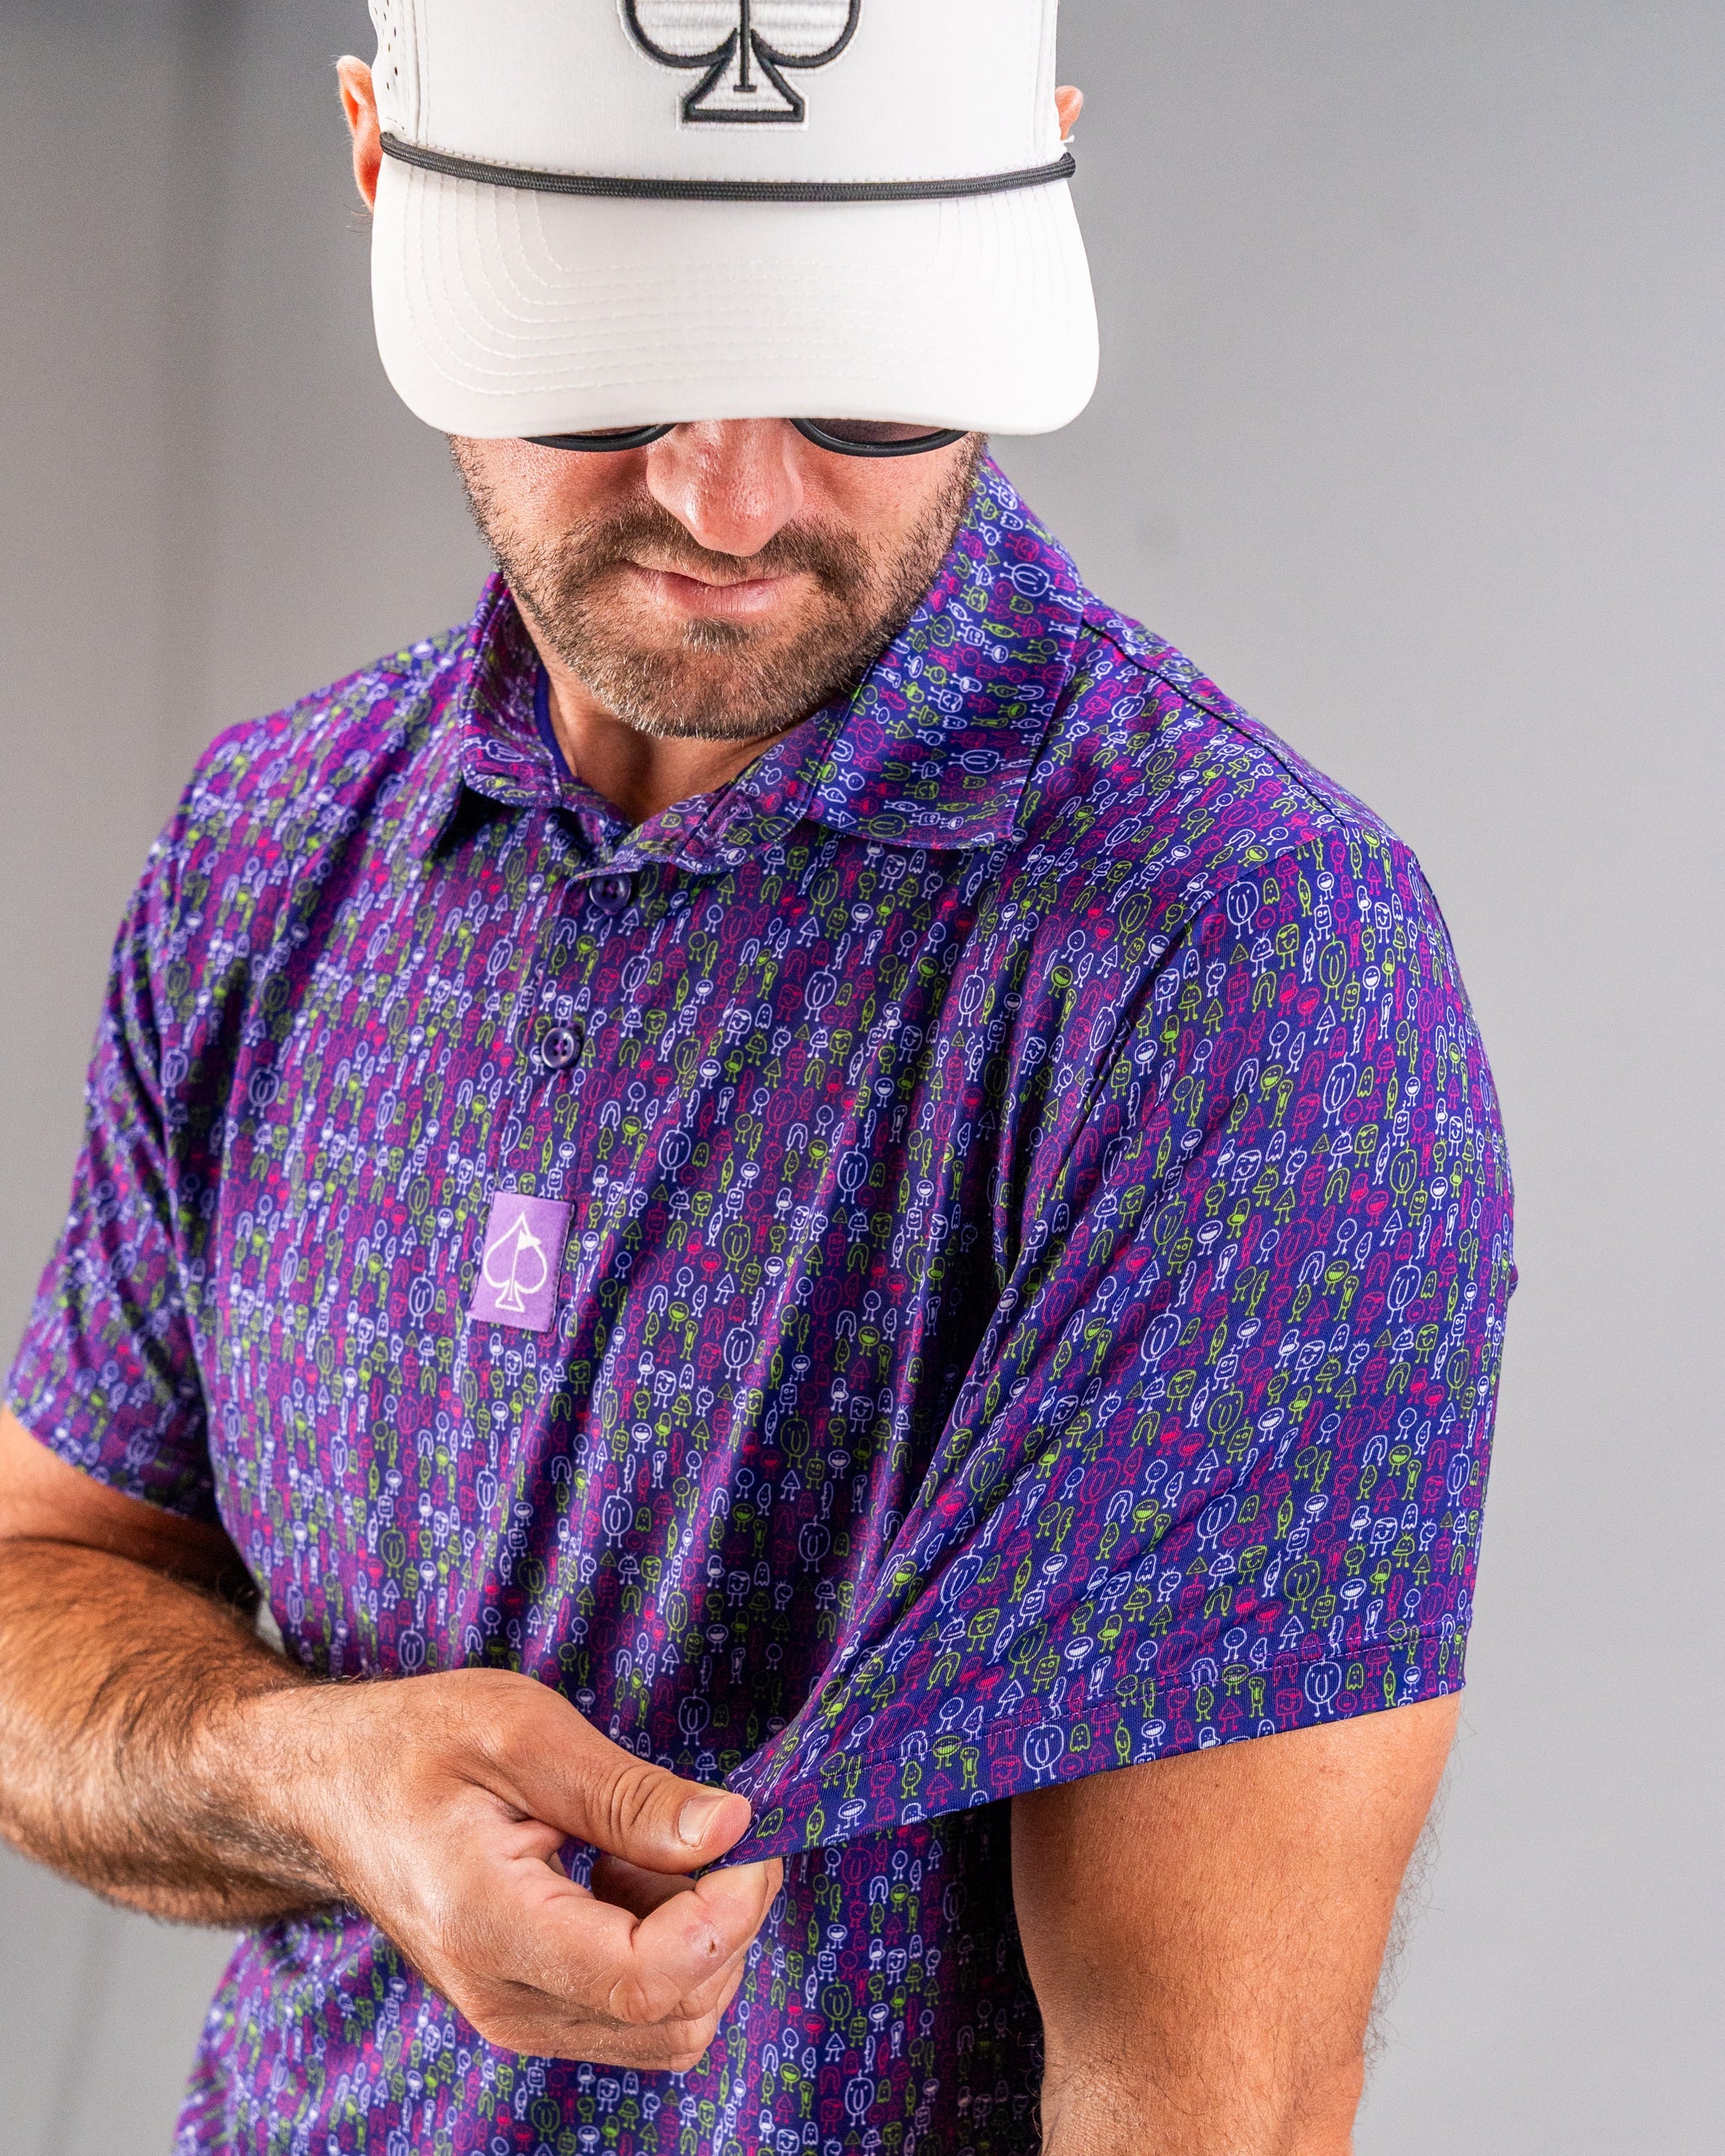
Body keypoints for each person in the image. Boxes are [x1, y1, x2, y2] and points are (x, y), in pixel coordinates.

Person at [0, 4, 1514, 2152]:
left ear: (1035, 177)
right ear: (375, 156)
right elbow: (30, 1591)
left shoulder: (1230, 959)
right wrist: (306, 1775)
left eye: (862, 364)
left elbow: (1212, 2093)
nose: (728, 491)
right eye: (607, 348)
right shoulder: (268, 849)